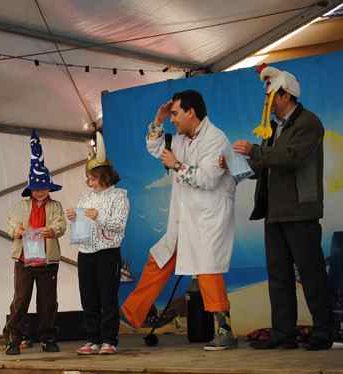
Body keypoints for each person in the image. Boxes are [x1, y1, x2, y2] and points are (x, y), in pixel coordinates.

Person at [120, 89, 238, 351]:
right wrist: (158, 120)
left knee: (207, 270)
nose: (172, 119)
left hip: (208, 218)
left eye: (174, 114)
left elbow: (208, 178)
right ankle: (132, 313)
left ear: (190, 112)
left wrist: (176, 165)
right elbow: (155, 147)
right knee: (159, 258)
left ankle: (224, 330)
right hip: (185, 218)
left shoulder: (216, 139)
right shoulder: (182, 139)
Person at [232, 64, 333, 351]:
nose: (268, 103)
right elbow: (265, 163)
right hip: (274, 212)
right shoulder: (274, 128)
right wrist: (238, 165)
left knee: (311, 273)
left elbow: (290, 157)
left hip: (300, 211)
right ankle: (283, 333)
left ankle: (324, 332)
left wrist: (255, 151)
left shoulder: (309, 123)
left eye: (271, 97)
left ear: (286, 95)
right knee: (279, 276)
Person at [66, 132, 130, 355]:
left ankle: (109, 340)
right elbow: (83, 223)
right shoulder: (86, 198)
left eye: (93, 178)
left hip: (107, 253)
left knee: (107, 296)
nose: (90, 182)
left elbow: (118, 225)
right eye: (89, 178)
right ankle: (92, 339)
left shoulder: (119, 196)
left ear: (105, 176)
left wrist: (97, 216)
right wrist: (75, 219)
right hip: (86, 252)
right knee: (88, 297)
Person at [4, 131, 67, 355]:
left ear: (50, 188)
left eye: (44, 187)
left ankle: (48, 338)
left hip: (48, 261)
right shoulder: (20, 206)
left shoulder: (56, 206)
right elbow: (10, 224)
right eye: (36, 188)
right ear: (30, 189)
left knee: (48, 301)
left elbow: (61, 225)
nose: (40, 191)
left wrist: (52, 230)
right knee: (21, 300)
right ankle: (14, 338)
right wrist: (17, 231)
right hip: (24, 260)